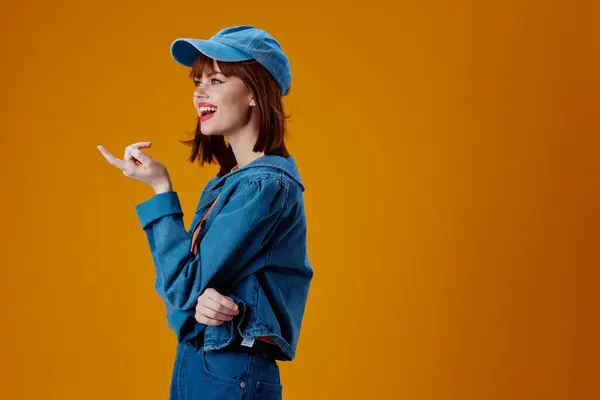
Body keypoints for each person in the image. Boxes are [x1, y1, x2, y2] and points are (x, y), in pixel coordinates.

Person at [97, 25, 313, 399]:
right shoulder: (225, 183)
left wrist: (161, 189)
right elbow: (177, 295)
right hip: (196, 363)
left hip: (232, 370)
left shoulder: (265, 187)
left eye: (215, 79)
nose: (200, 92)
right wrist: (198, 302)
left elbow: (180, 286)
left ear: (254, 93)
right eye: (198, 81)